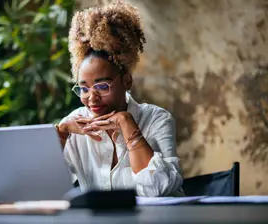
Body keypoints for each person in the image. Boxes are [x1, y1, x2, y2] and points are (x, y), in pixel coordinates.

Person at [55, 0, 184, 197]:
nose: (92, 98)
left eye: (102, 86)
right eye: (84, 88)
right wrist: (62, 133)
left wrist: (127, 124)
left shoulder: (157, 120)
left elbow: (158, 190)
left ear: (126, 81)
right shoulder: (74, 125)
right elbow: (40, 188)